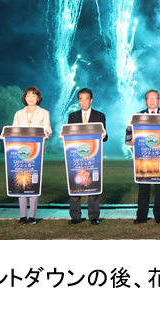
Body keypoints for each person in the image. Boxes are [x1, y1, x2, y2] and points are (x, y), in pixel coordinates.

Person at [126, 89, 160, 224]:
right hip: (143, 157)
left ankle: (159, 216)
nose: (152, 101)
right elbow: (128, 131)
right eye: (149, 98)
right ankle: (141, 216)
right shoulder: (138, 116)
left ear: (159, 101)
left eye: (154, 98)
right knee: (144, 188)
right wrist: (131, 141)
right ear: (145, 101)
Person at [65, 88, 108, 225]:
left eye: (86, 99)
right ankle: (75, 217)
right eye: (81, 99)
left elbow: (104, 137)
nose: (83, 102)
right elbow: (69, 135)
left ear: (91, 100)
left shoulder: (100, 116)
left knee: (93, 185)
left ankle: (94, 217)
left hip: (93, 157)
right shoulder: (72, 116)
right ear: (78, 101)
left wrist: (105, 136)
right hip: (76, 158)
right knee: (75, 184)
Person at [11, 86, 52, 225]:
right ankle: (22, 216)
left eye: (33, 95)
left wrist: (46, 135)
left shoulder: (44, 113)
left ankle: (32, 216)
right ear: (25, 98)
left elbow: (48, 129)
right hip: (20, 153)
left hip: (36, 151)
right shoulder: (18, 114)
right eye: (28, 95)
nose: (31, 98)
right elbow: (13, 130)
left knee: (33, 182)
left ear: (38, 98)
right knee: (21, 182)